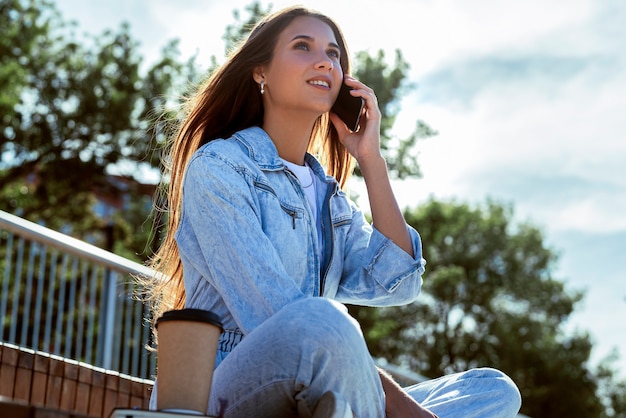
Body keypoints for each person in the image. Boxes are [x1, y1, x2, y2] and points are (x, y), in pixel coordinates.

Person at [144, 5, 522, 418]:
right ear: (260, 72)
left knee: (493, 389)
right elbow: (278, 316)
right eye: (303, 47)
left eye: (334, 54)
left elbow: (397, 283)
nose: (325, 60)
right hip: (225, 389)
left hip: (318, 382)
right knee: (322, 320)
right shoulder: (220, 168)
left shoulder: (328, 197)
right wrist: (407, 409)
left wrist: (371, 159)